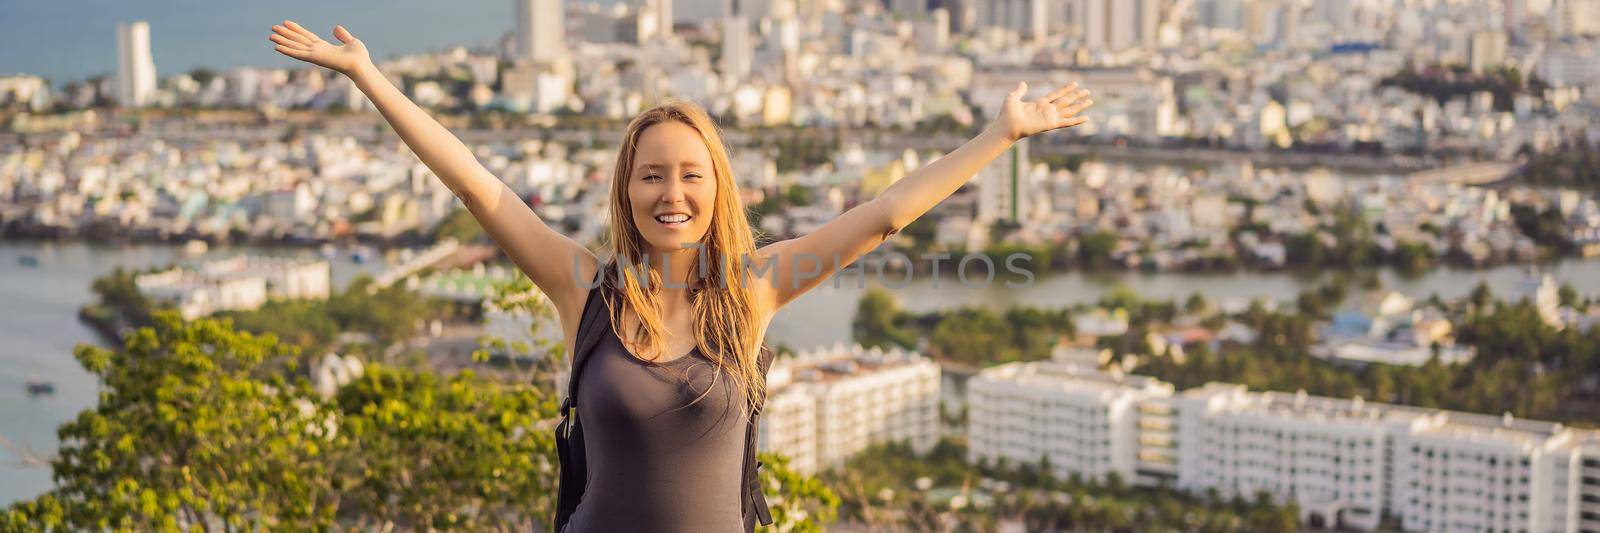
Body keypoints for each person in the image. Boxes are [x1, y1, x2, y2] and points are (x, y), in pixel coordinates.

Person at [270, 20, 1093, 532]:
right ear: (627, 190)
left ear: (717, 188)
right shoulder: (583, 289)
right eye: (652, 174)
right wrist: (369, 77)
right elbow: (476, 184)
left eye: (691, 174)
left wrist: (1000, 134)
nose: (672, 192)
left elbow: (883, 215)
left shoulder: (756, 289)